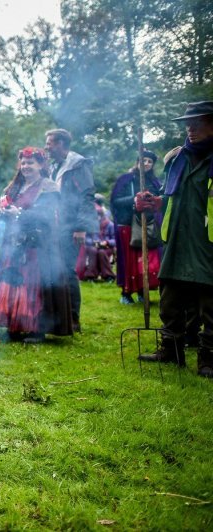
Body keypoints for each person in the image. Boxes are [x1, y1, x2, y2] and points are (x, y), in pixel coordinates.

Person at [138, 101, 213, 377]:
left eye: (198, 123)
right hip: (176, 240)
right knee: (170, 298)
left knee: (210, 302)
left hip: (208, 242)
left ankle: (209, 358)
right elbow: (170, 199)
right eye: (187, 124)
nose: (190, 129)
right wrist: (152, 203)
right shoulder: (175, 158)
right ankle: (171, 350)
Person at [0, 147, 73, 343]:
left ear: (41, 165)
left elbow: (46, 215)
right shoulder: (14, 187)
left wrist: (18, 214)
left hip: (38, 244)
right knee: (11, 280)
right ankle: (13, 325)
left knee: (32, 283)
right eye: (23, 163)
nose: (26, 166)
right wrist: (1, 210)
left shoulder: (48, 187)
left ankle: (36, 328)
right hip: (13, 242)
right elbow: (6, 208)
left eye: (30, 163)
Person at [44, 128, 96, 333]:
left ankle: (73, 318)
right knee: (52, 270)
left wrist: (81, 227)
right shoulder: (54, 166)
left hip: (70, 227)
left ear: (61, 144)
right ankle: (58, 316)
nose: (47, 147)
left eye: (49, 143)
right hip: (53, 226)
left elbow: (86, 195)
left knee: (66, 270)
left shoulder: (78, 165)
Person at [110, 151, 162, 303]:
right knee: (129, 260)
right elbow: (115, 201)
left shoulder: (155, 182)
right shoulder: (125, 179)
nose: (146, 163)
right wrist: (133, 199)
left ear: (152, 165)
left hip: (148, 225)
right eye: (143, 160)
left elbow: (159, 203)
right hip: (127, 224)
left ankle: (142, 291)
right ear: (137, 161)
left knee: (145, 260)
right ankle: (125, 294)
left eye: (149, 161)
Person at [75, 200, 116, 282]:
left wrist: (107, 242)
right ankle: (91, 276)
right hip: (93, 246)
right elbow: (87, 238)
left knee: (101, 252)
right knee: (93, 251)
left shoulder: (110, 225)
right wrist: (93, 242)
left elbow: (115, 240)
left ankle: (108, 276)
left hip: (107, 247)